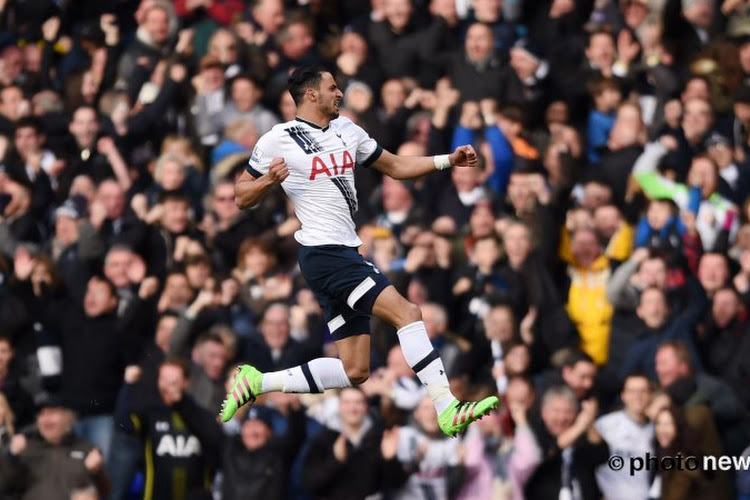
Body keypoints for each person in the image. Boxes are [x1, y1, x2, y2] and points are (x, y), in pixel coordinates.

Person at [223, 66, 498, 437]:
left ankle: (257, 383)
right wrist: (269, 181)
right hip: (326, 253)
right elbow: (241, 196)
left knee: (356, 371)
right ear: (311, 95)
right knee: (408, 312)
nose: (340, 93)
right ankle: (447, 406)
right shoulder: (278, 138)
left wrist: (447, 160)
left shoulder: (347, 130)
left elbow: (397, 166)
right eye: (333, 88)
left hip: (336, 254)